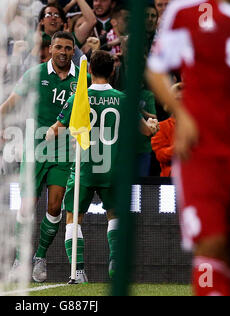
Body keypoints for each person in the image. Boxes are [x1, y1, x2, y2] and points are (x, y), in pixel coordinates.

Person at [146, 0, 230, 296]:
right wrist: (181, 116)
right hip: (202, 152)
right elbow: (155, 70)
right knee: (211, 241)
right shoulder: (185, 11)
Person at [46, 50, 159, 283]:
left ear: (88, 71)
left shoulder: (79, 99)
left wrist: (53, 135)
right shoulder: (124, 99)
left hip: (83, 168)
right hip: (113, 168)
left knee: (73, 218)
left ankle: (77, 272)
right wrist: (153, 126)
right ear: (113, 71)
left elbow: (53, 131)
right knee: (114, 215)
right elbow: (147, 131)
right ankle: (116, 261)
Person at [0, 31, 84, 283]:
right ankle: (20, 259)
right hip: (35, 148)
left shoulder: (82, 79)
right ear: (50, 49)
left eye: (68, 48)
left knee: (54, 206)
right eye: (58, 47)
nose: (63, 52)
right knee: (27, 205)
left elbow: (96, 101)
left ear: (73, 51)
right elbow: (11, 102)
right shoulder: (35, 74)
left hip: (64, 151)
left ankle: (40, 256)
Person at [151, 82, 181, 177]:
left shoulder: (199, 126)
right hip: (170, 182)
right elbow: (160, 156)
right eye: (177, 99)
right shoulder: (161, 126)